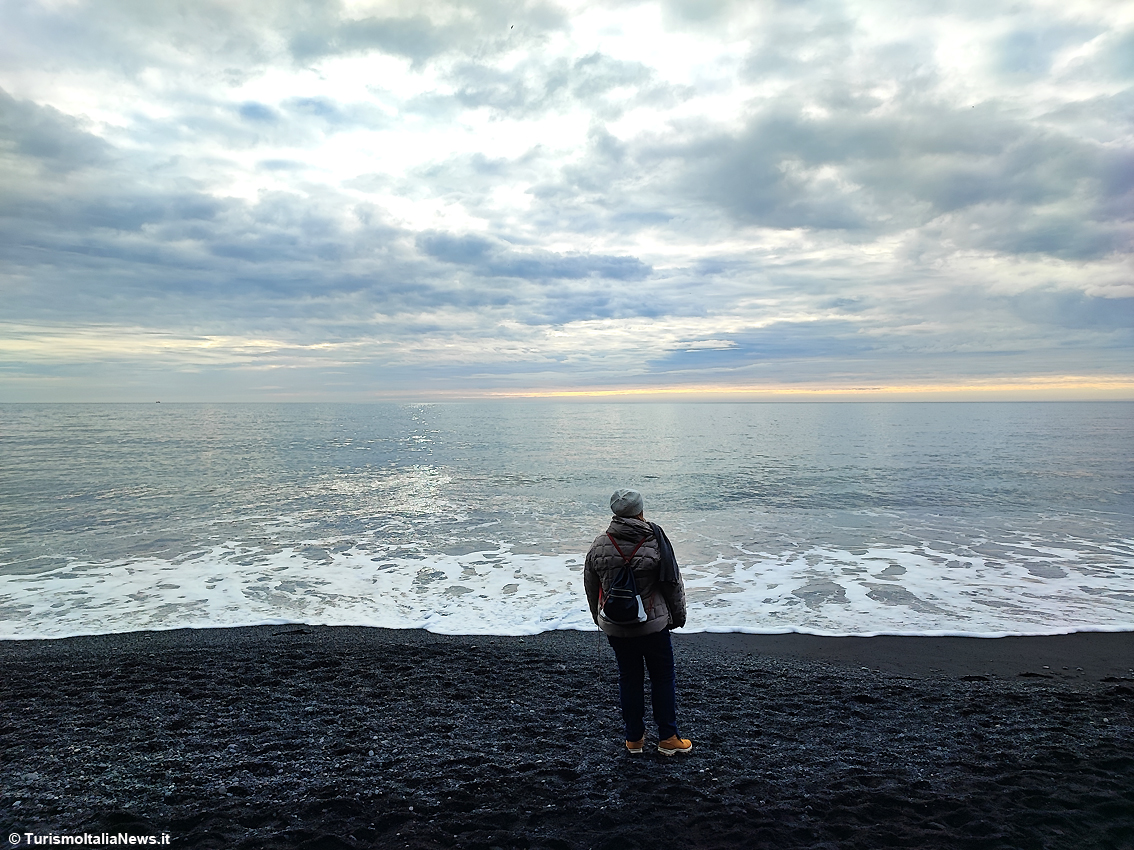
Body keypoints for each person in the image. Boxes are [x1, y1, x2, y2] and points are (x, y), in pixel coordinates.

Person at [584, 488, 692, 756]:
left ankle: (634, 740)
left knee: (629, 678)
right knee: (662, 678)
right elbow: (672, 584)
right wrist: (678, 618)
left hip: (616, 626)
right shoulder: (655, 541)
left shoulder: (600, 544)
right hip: (652, 626)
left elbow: (591, 586)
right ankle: (668, 737)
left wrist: (598, 617)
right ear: (640, 511)